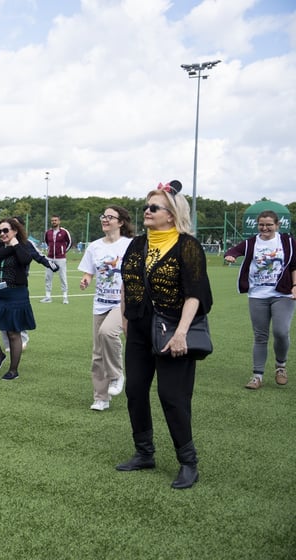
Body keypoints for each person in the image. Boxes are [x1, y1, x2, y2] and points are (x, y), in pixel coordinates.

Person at [116, 180, 212, 490]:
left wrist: (182, 332)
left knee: (172, 397)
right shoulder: (136, 244)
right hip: (140, 329)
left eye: (154, 207)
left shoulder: (188, 245)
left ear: (171, 215)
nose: (146, 210)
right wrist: (125, 317)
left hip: (173, 329)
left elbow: (195, 293)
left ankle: (188, 462)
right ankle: (144, 453)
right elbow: (126, 281)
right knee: (135, 393)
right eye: (146, 206)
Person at [224, 210, 296, 389]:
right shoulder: (251, 243)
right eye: (261, 225)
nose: (265, 228)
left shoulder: (287, 241)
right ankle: (257, 376)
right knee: (260, 336)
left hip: (283, 294)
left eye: (269, 225)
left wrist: (295, 285)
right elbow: (233, 250)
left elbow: (294, 265)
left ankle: (280, 366)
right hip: (257, 295)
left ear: (277, 225)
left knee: (280, 332)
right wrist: (230, 255)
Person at [77, 206, 134, 411]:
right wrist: (85, 280)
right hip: (100, 303)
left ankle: (117, 374)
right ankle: (101, 398)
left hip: (122, 302)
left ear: (121, 222)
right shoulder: (94, 247)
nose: (105, 220)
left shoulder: (130, 245)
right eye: (103, 216)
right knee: (98, 353)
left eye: (111, 217)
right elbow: (89, 272)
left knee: (108, 332)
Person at [0, 218, 36, 380]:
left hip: (16, 295)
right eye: (0, 231)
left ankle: (13, 370)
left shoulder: (24, 245)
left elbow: (25, 259)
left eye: (6, 231)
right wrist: (9, 248)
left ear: (15, 231)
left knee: (13, 333)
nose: (2, 234)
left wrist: (15, 245)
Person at [1, 216, 58, 351]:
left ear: (18, 229)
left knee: (18, 313)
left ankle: (23, 340)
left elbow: (39, 256)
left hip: (19, 285)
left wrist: (51, 265)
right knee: (2, 314)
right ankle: (9, 343)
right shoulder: (2, 242)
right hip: (3, 284)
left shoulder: (27, 244)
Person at [41, 214, 72, 303]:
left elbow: (69, 242)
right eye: (52, 220)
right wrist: (50, 251)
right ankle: (48, 296)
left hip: (61, 258)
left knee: (62, 277)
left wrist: (63, 251)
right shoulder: (48, 232)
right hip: (50, 258)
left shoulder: (64, 232)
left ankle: (65, 297)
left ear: (59, 221)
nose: (53, 222)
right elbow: (47, 242)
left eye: (55, 220)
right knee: (48, 277)